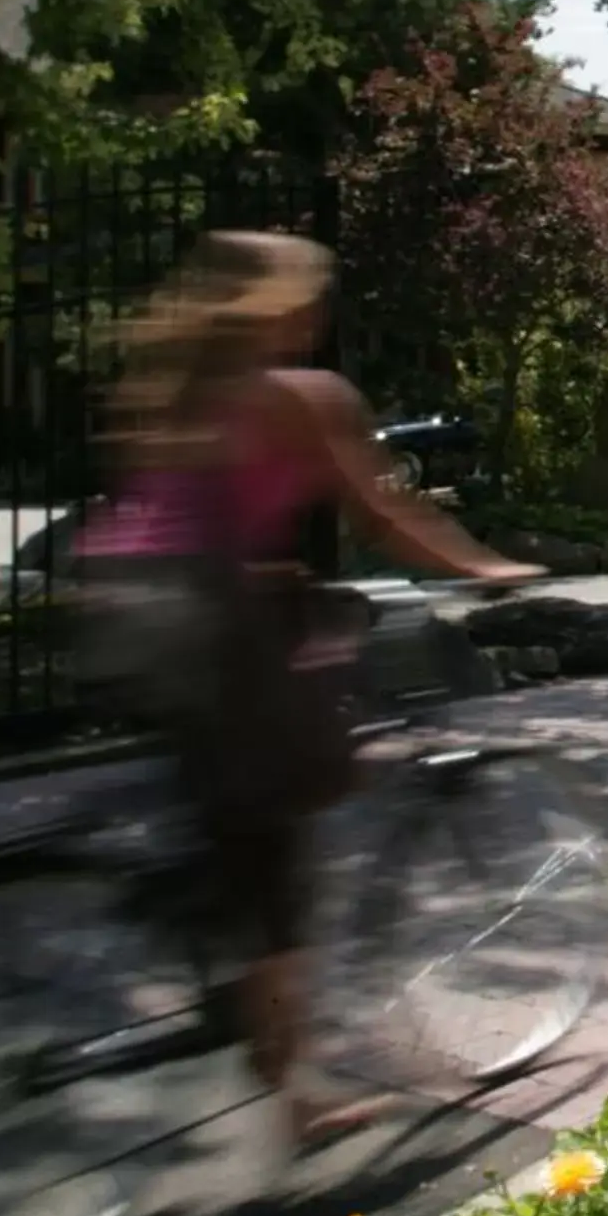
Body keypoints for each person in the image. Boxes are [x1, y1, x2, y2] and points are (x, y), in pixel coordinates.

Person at [80, 229, 540, 1148]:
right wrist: (489, 570)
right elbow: (384, 518)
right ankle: (296, 1095)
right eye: (313, 293)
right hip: (219, 633)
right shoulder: (300, 399)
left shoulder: (166, 392)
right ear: (285, 307)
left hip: (132, 617)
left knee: (235, 822)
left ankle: (223, 973)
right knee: (293, 825)